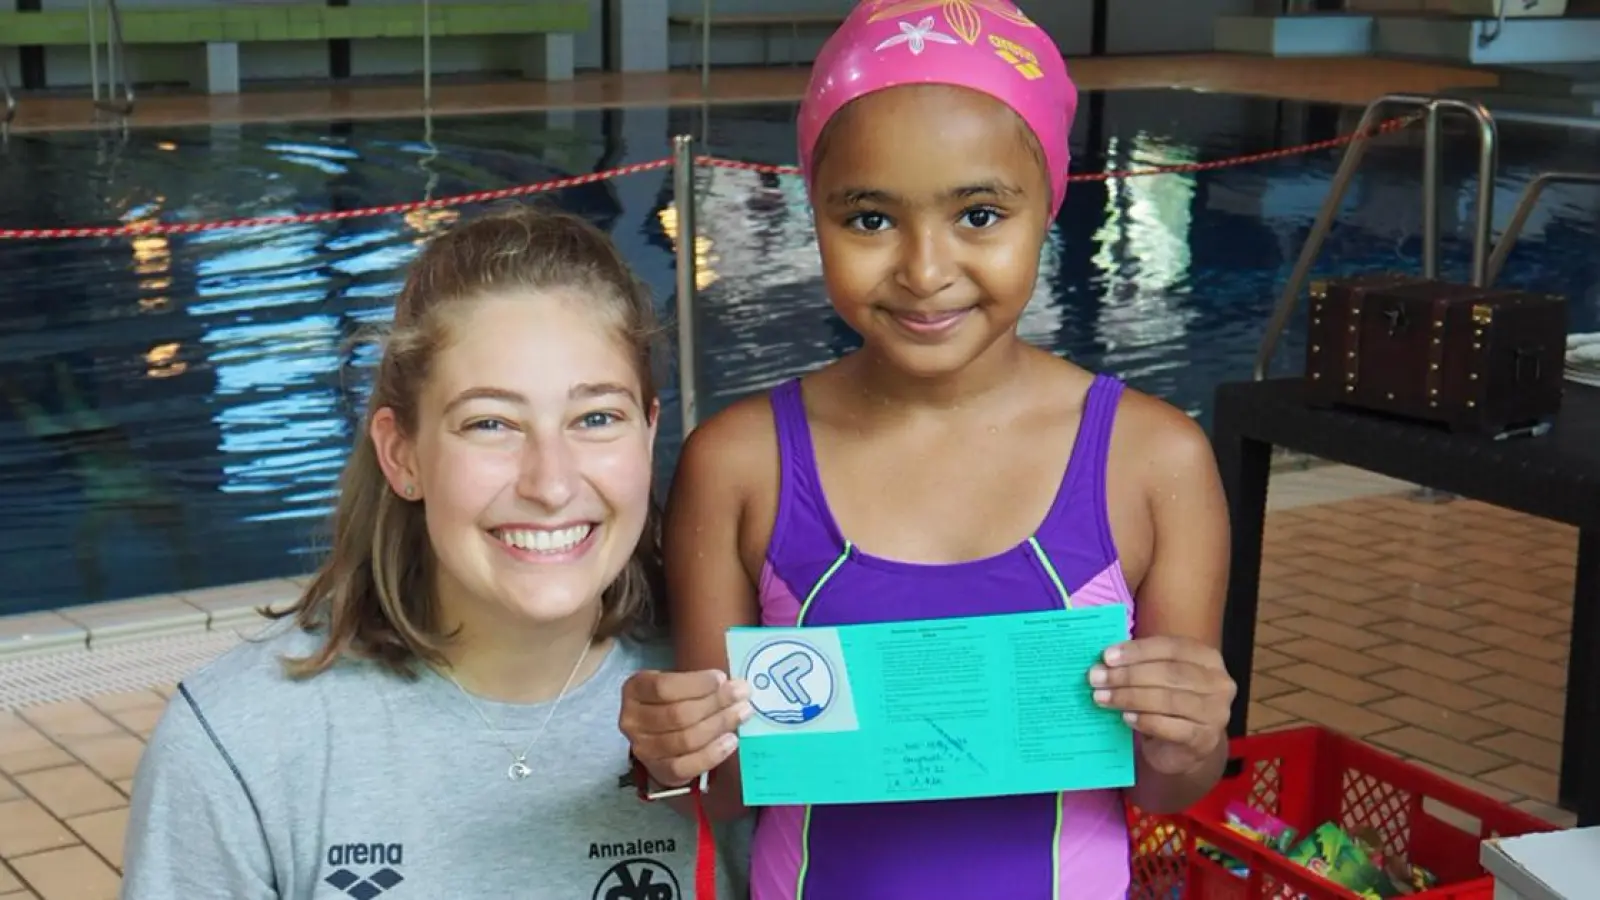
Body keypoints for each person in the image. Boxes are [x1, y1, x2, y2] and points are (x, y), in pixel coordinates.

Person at [618, 2, 1237, 898]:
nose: (923, 268)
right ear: (815, 216)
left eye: (979, 214)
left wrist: (1194, 734)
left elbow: (1168, 784)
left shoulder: (1151, 461)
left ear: (1050, 209)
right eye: (870, 220)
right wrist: (671, 753)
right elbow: (720, 790)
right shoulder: (741, 463)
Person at [121, 206, 747, 900]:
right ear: (403, 454)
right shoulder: (244, 746)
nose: (552, 482)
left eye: (595, 418)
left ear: (648, 432)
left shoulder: (731, 708)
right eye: (490, 423)